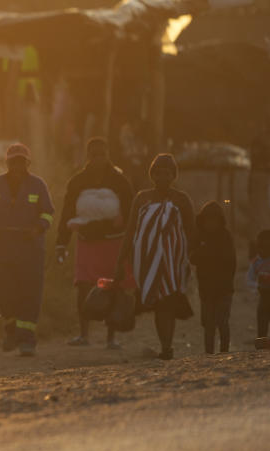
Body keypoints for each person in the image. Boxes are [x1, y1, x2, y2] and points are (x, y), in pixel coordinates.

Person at [115, 154, 196, 360]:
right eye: (158, 173)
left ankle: (166, 347)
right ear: (152, 175)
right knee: (156, 302)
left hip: (173, 262)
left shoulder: (182, 199)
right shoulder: (142, 198)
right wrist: (120, 261)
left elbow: (192, 232)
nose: (162, 177)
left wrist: (191, 260)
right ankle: (165, 345)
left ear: (173, 175)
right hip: (145, 262)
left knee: (167, 303)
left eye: (167, 173)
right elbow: (131, 231)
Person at [56, 137, 134, 349]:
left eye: (102, 154)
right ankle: (84, 335)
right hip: (87, 242)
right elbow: (67, 213)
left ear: (107, 155)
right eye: (94, 154)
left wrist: (124, 220)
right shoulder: (77, 182)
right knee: (83, 286)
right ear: (88, 156)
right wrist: (61, 243)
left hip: (113, 243)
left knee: (113, 287)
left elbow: (131, 207)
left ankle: (111, 337)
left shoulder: (119, 181)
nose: (98, 158)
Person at [0, 143, 55, 356]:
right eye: (13, 161)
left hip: (31, 250)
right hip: (4, 248)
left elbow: (48, 213)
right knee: (5, 292)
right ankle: (11, 332)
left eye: (21, 161)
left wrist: (38, 228)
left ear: (27, 163)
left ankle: (27, 339)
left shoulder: (38, 185)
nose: (17, 165)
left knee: (29, 294)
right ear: (8, 163)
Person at [191, 202, 236, 354]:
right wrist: (203, 250)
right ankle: (209, 354)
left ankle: (224, 351)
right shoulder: (199, 237)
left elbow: (231, 262)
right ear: (202, 221)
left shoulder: (225, 236)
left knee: (222, 322)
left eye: (214, 220)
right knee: (208, 325)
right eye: (207, 220)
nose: (210, 223)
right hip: (206, 290)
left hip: (224, 289)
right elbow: (192, 258)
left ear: (220, 220)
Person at [246, 229, 270, 341]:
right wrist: (257, 285)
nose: (262, 250)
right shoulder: (256, 262)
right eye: (261, 247)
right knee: (262, 328)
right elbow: (249, 279)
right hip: (263, 297)